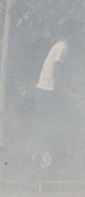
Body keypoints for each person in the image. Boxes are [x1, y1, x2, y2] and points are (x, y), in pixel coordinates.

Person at [32, 20, 83, 173]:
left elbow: (62, 75)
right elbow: (57, 74)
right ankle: (36, 168)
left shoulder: (60, 46)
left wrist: (74, 89)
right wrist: (71, 94)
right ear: (72, 34)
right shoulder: (63, 47)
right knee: (49, 129)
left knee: (52, 128)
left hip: (46, 91)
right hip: (47, 92)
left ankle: (49, 165)